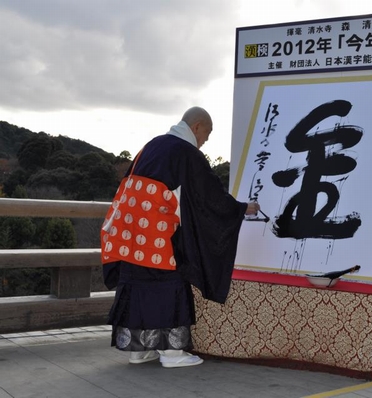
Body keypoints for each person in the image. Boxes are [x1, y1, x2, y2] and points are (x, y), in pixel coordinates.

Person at [100, 106, 260, 368]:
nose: (205, 141)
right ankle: (172, 354)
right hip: (157, 237)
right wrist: (241, 208)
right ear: (196, 126)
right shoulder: (185, 152)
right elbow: (209, 197)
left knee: (138, 286)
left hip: (128, 233)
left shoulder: (152, 146)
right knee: (169, 285)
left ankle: (139, 350)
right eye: (206, 135)